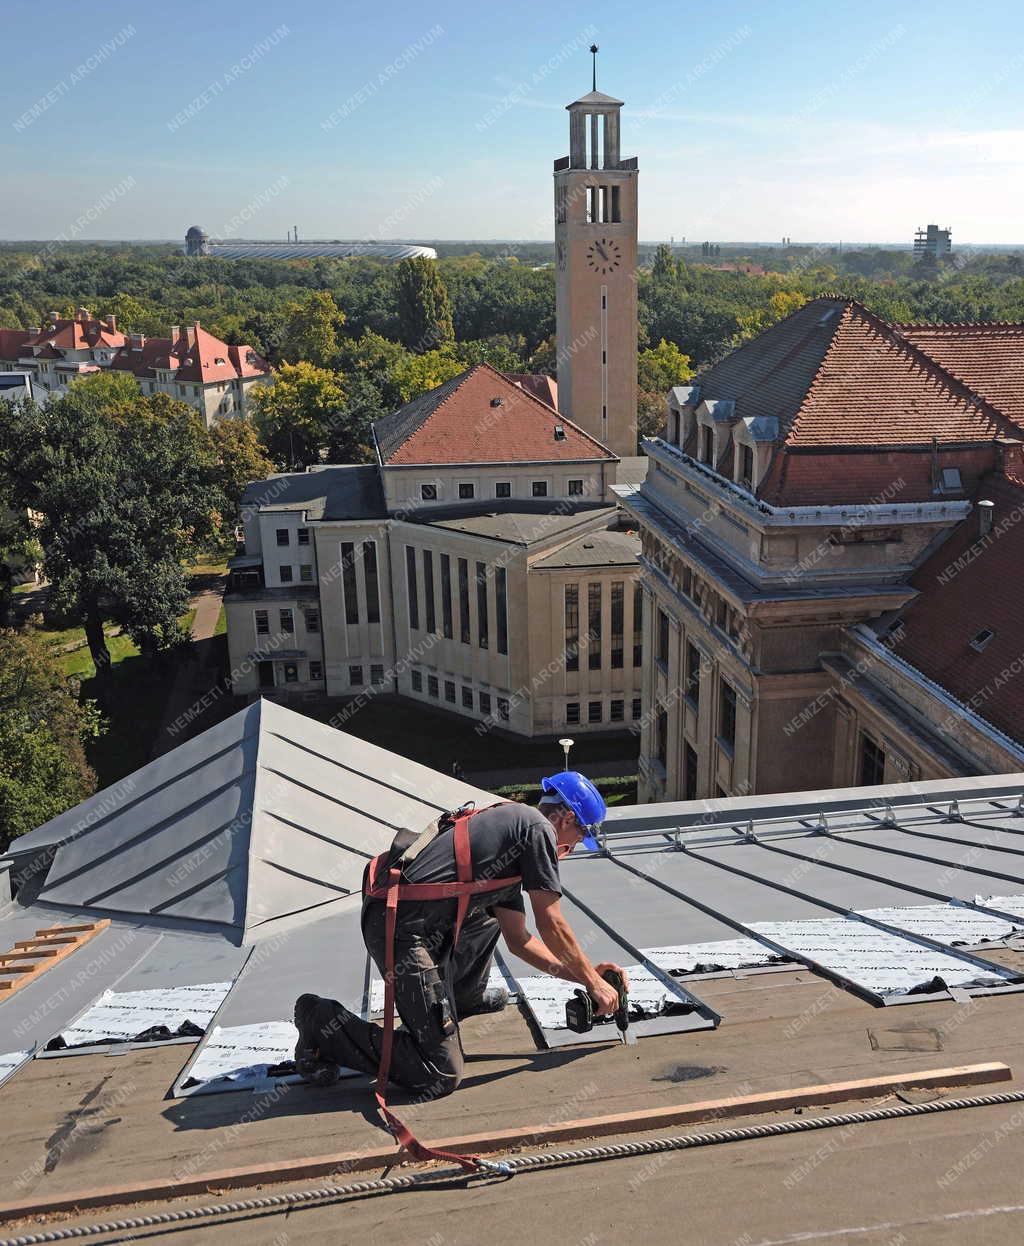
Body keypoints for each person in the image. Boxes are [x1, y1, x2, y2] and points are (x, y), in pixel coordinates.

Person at [293, 771, 628, 1100]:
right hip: (400, 929)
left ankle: (462, 996)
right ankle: (320, 1021)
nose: (572, 848)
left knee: (489, 917)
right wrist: (593, 982)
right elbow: (551, 922)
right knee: (439, 1072)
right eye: (579, 837)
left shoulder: (514, 830)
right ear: (567, 818)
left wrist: (585, 976)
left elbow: (519, 941)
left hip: (414, 920)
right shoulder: (539, 829)